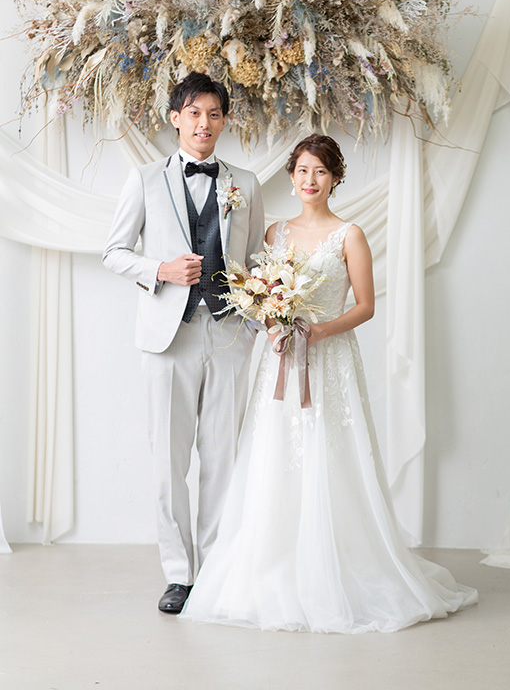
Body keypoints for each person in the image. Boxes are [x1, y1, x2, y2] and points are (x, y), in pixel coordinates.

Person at [182, 133, 477, 633]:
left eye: (320, 171)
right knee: (274, 451)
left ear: (335, 178)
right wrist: (273, 322)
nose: (310, 180)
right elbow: (261, 293)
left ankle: (337, 566)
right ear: (291, 176)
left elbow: (366, 305)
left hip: (330, 357)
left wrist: (319, 331)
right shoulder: (274, 232)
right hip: (280, 361)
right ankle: (275, 560)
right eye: (302, 170)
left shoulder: (349, 235)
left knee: (332, 452)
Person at [103, 72, 265, 613]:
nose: (204, 123)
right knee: (168, 464)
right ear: (175, 118)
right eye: (194, 113)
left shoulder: (246, 182)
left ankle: (216, 570)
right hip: (167, 337)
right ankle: (179, 575)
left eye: (214, 114)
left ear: (224, 120)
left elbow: (256, 261)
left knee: (222, 457)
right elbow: (114, 252)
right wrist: (161, 270)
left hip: (229, 334)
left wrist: (261, 317)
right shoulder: (145, 178)